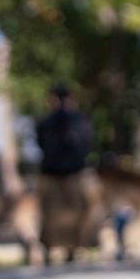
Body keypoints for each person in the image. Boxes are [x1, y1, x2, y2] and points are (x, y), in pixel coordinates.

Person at [36, 85, 104, 260]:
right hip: (61, 175)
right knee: (52, 215)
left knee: (88, 209)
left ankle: (72, 248)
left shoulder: (53, 122)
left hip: (69, 174)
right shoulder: (78, 121)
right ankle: (64, 249)